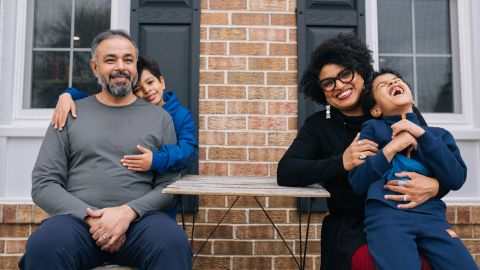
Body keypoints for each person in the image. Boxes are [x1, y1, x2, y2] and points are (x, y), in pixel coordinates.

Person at [19, 30, 192, 270]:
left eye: (128, 60)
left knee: (173, 243)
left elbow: (169, 186)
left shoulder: (160, 118)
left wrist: (128, 212)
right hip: (77, 224)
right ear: (94, 67)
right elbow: (43, 183)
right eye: (110, 60)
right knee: (44, 245)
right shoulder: (69, 114)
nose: (121, 66)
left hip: (141, 224)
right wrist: (91, 218)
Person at [277, 33, 443, 270]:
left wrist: (437, 186)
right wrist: (341, 162)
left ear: (361, 71)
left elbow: (440, 161)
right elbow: (286, 171)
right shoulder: (319, 124)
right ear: (321, 91)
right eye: (328, 82)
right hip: (352, 225)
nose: (340, 86)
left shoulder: (395, 108)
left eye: (345, 74)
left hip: (410, 217)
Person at [348, 69, 477, 270]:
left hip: (432, 217)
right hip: (386, 216)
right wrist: (391, 148)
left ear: (412, 97)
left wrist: (421, 136)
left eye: (397, 80)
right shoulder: (372, 129)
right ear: (375, 109)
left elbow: (457, 178)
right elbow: (358, 182)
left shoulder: (438, 136)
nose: (393, 83)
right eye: (383, 85)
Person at [51, 56, 198, 176]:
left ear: (162, 82)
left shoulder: (181, 115)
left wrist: (155, 160)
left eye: (150, 82)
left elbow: (188, 153)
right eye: (138, 89)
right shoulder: (130, 108)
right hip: (126, 180)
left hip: (162, 184)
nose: (147, 90)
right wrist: (67, 95)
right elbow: (94, 100)